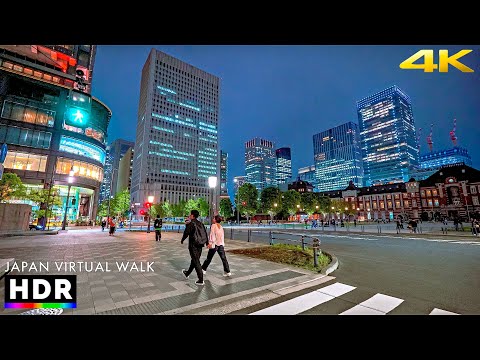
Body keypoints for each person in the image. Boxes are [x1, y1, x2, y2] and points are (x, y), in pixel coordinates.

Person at [181, 209, 207, 285]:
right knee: (195, 259)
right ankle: (187, 273)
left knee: (196, 261)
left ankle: (201, 279)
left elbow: (186, 232)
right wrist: (207, 242)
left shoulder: (192, 223)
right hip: (200, 245)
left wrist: (182, 240)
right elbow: (205, 233)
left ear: (192, 215)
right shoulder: (201, 223)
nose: (189, 215)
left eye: (190, 214)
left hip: (193, 245)